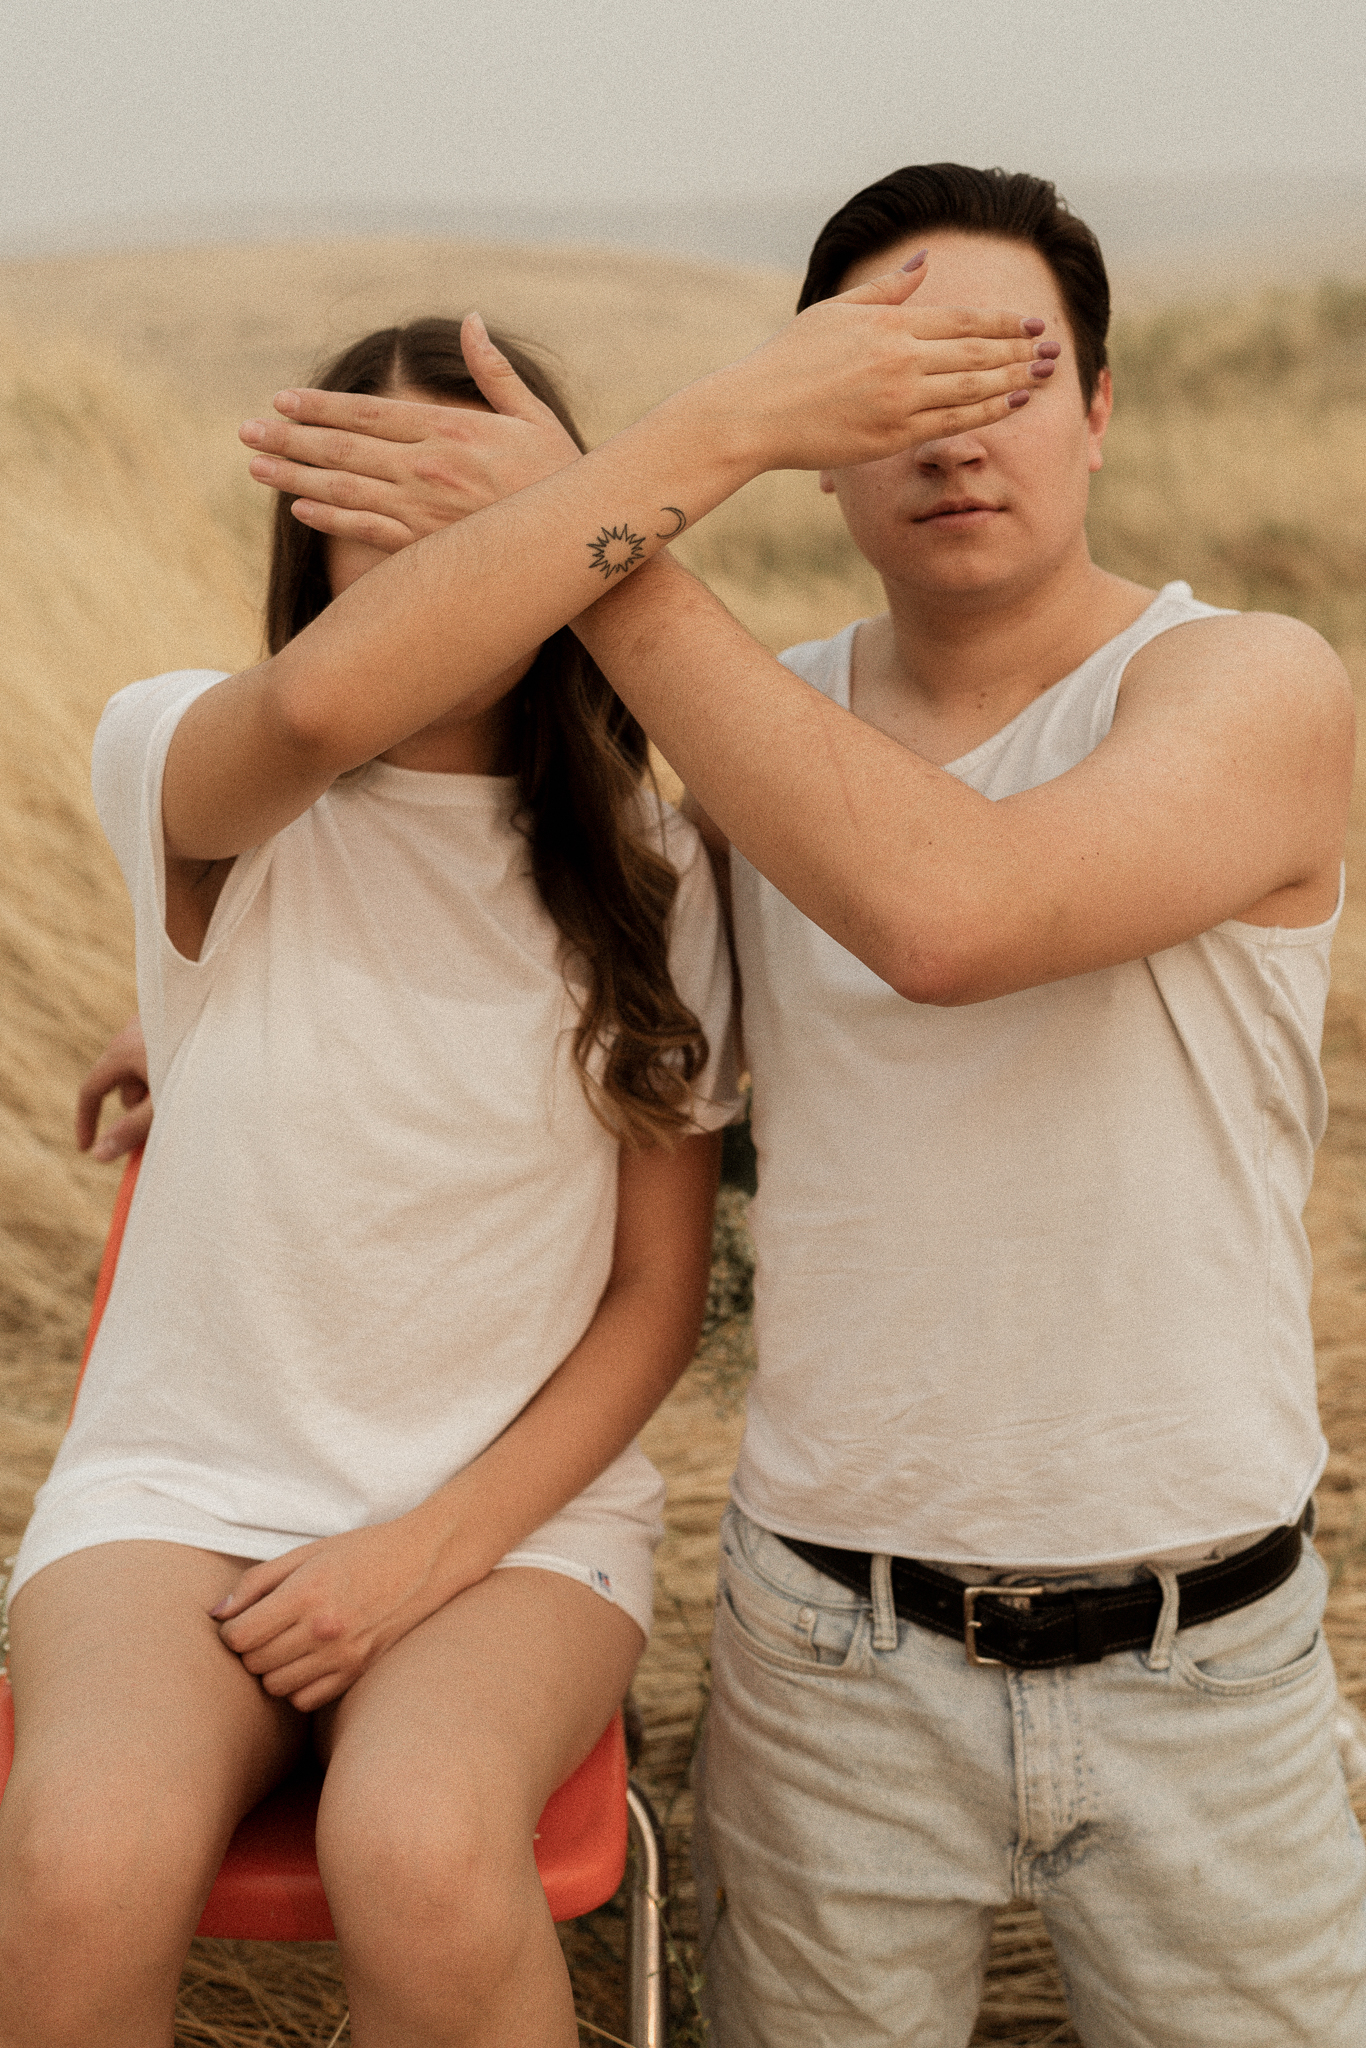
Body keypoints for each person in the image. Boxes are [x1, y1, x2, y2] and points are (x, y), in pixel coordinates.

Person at [87, 162, 1366, 2045]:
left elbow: (947, 913)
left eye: (1001, 372)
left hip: (1202, 1656)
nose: (950, 426)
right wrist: (192, 1026)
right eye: (891, 378)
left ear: (1098, 413)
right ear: (825, 454)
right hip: (827, 1658)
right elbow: (584, 1006)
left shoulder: (1251, 682)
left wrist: (603, 533)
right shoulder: (735, 761)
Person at [1, 278, 1047, 2048]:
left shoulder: (652, 865)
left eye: (482, 524)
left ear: (581, 547)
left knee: (418, 1849)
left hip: (513, 1529)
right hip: (179, 1490)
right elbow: (324, 719)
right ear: (307, 550)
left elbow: (652, 1304)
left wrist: (415, 1558)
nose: (438, 574)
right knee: (82, 1862)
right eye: (380, 529)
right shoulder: (179, 752)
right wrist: (710, 430)